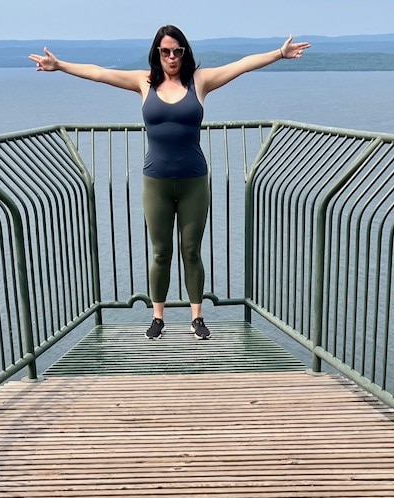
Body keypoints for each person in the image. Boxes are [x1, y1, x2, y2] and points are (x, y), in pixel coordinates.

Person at [29, 25, 310, 340]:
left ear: (185, 53)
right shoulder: (143, 82)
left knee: (192, 251)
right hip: (156, 183)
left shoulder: (199, 82)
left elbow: (240, 65)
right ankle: (158, 317)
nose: (172, 57)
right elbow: (98, 72)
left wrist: (279, 53)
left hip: (194, 181)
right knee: (161, 252)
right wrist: (60, 65)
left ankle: (197, 318)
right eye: (166, 51)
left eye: (178, 51)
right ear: (157, 54)